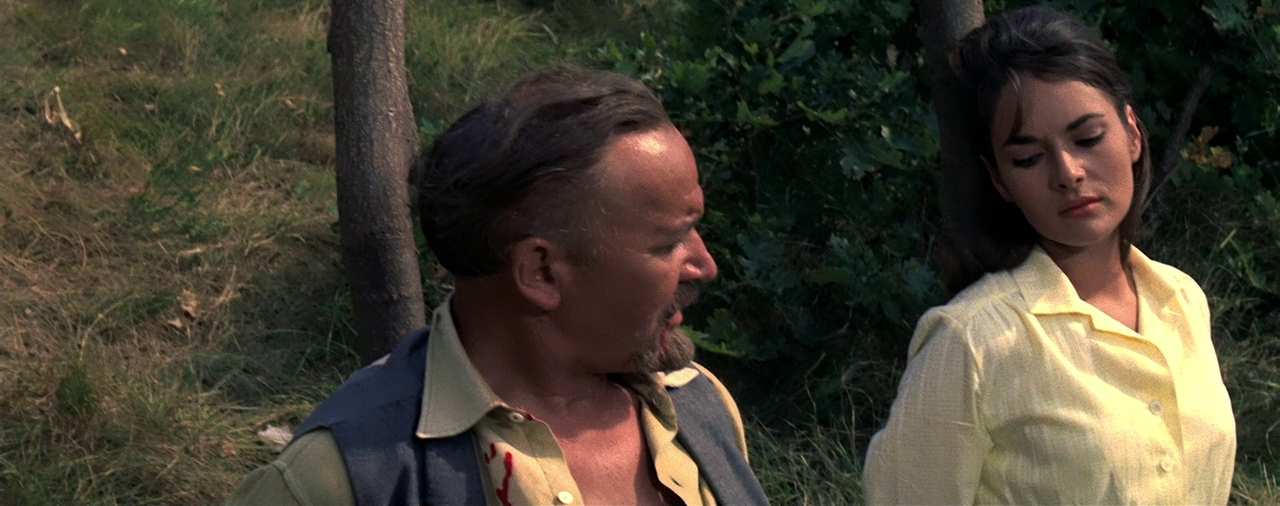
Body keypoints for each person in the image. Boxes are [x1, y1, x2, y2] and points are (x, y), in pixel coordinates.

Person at [226, 65, 769, 506]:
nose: (705, 265)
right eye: (669, 242)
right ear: (542, 272)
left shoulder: (698, 406)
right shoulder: (338, 480)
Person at [863, 6, 1236, 504]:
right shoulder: (971, 341)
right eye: (1029, 158)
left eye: (1088, 138)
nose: (1068, 172)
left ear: (1132, 132)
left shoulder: (1181, 299)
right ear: (999, 179)